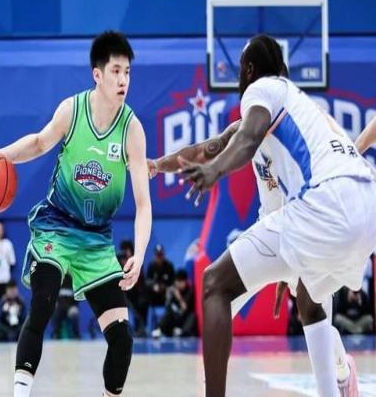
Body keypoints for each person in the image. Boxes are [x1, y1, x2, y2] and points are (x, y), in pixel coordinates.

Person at [149, 34, 375, 396]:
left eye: (241, 70)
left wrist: (215, 171)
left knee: (214, 284)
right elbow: (211, 146)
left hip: (326, 204)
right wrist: (158, 164)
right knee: (309, 300)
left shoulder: (263, 90)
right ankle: (340, 375)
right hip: (364, 204)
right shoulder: (297, 111)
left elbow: (244, 141)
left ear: (249, 70)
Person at [0, 31, 152, 397]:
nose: (123, 80)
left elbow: (143, 204)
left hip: (96, 241)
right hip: (56, 227)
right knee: (43, 304)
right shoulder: (73, 110)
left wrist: (140, 252)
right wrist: (0, 156)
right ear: (97, 74)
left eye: (128, 72)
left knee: (122, 339)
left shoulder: (132, 130)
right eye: (116, 71)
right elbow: (39, 142)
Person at [152, 268, 196, 338]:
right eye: (176, 281)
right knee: (168, 313)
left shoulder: (189, 291)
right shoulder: (174, 290)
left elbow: (184, 308)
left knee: (193, 316)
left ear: (184, 281)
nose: (177, 284)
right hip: (175, 317)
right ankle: (159, 329)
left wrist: (178, 297)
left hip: (184, 317)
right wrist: (168, 296)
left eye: (179, 282)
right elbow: (168, 306)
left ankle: (182, 332)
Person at [118, 239, 149, 337]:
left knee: (142, 302)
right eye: (123, 250)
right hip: (123, 291)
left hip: (137, 292)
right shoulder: (118, 261)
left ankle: (141, 327)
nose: (125, 253)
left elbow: (140, 279)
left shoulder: (136, 260)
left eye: (127, 250)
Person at [50, 275, 80, 340]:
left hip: (71, 307)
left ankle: (76, 335)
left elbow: (76, 299)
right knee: (55, 311)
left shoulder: (75, 282)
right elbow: (54, 297)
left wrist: (72, 306)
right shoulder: (57, 281)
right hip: (60, 307)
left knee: (74, 312)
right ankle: (56, 334)